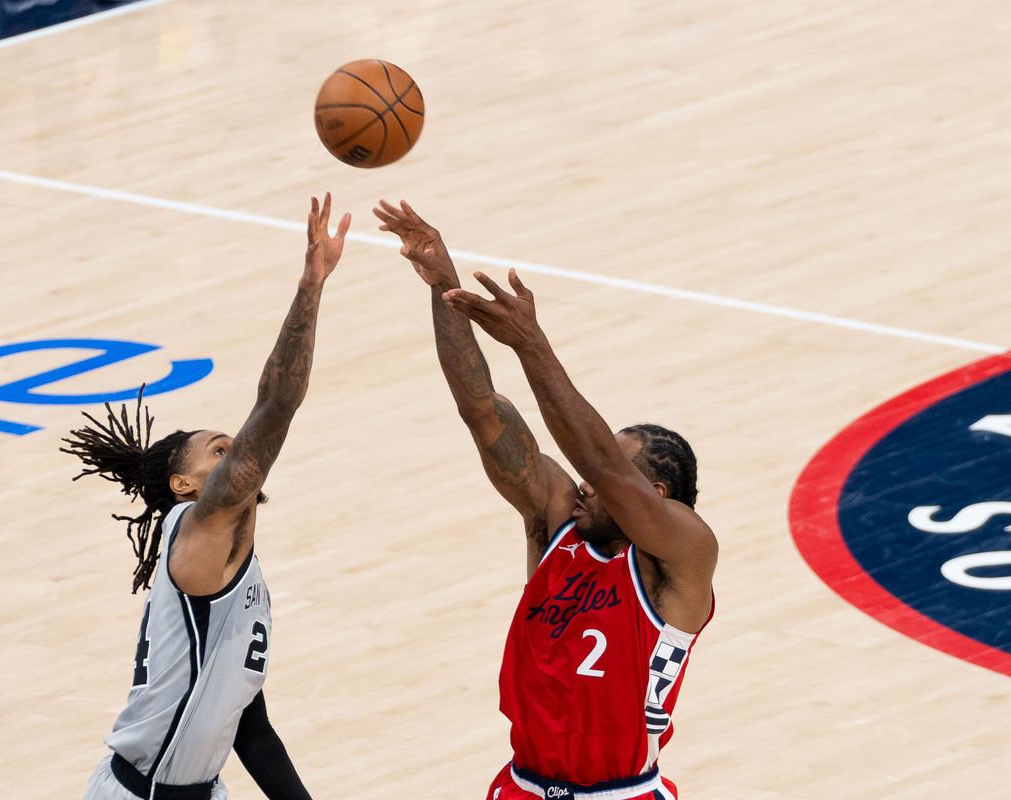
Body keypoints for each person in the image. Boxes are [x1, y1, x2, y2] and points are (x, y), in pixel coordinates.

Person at [374, 200, 717, 800]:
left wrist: (532, 344)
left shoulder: (682, 555)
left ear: (657, 496)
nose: (585, 483)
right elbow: (482, 410)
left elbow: (600, 464)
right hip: (522, 786)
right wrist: (443, 287)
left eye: (609, 476)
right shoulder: (557, 520)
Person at [67, 194, 351, 800]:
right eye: (218, 451)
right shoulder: (194, 531)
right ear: (184, 485)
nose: (237, 455)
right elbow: (277, 401)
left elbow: (251, 728)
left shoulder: (245, 572)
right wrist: (311, 287)